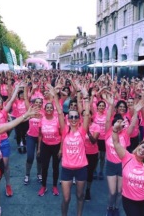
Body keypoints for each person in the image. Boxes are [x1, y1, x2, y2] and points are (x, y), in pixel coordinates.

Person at [60, 85, 90, 216]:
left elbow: (87, 113)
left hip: (81, 168)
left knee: (80, 196)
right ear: (68, 119)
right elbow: (60, 111)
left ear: (79, 119)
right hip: (66, 168)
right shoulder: (64, 130)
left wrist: (86, 97)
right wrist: (55, 96)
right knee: (66, 198)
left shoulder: (82, 131)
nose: (73, 119)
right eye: (71, 117)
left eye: (75, 117)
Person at [37, 85, 64, 197]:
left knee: (55, 167)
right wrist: (39, 148)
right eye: (47, 108)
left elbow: (62, 135)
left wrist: (61, 149)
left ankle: (54, 186)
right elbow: (39, 135)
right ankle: (44, 186)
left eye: (50, 108)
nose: (49, 109)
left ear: (53, 110)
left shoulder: (57, 120)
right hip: (45, 145)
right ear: (45, 109)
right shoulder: (41, 119)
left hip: (56, 146)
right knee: (44, 166)